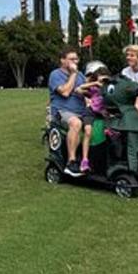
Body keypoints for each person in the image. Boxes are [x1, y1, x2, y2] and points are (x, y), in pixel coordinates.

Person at [49, 47, 92, 177]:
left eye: (76, 59)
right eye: (71, 59)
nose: (75, 62)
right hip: (62, 111)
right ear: (63, 60)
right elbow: (66, 92)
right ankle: (71, 162)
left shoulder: (81, 76)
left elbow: (88, 93)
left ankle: (89, 160)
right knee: (76, 123)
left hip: (81, 110)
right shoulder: (55, 75)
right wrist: (73, 74)